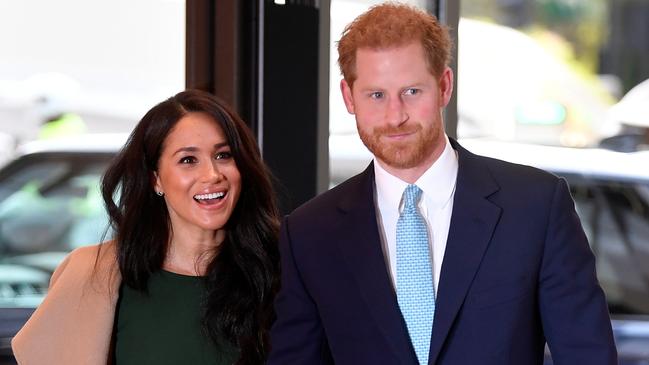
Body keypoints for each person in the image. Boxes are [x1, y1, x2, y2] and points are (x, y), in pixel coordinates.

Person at [268, 3, 617, 365]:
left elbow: (588, 355)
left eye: (412, 92)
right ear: (347, 97)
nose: (395, 116)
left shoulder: (535, 207)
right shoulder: (310, 234)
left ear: (444, 86)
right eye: (376, 95)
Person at [12, 89, 280, 364]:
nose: (212, 174)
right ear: (156, 180)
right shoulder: (95, 273)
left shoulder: (278, 269)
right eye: (188, 160)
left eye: (223, 155)